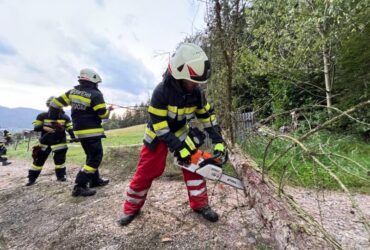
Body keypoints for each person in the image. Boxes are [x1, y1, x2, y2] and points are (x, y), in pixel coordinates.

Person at [119, 43, 226, 226]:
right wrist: (179, 147)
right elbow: (160, 128)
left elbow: (207, 117)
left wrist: (218, 140)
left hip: (180, 131)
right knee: (147, 170)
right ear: (178, 74)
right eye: (192, 80)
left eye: (197, 81)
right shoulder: (161, 92)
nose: (195, 85)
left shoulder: (196, 94)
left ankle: (200, 204)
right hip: (157, 134)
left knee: (195, 165)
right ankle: (131, 209)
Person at [50, 68, 112, 197]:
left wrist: (54, 121)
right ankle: (80, 185)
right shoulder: (95, 94)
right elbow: (103, 115)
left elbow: (54, 104)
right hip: (92, 131)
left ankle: (94, 180)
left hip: (79, 130)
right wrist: (109, 110)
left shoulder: (72, 92)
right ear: (93, 80)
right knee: (95, 158)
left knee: (90, 156)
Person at [26, 97, 76, 186]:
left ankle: (61, 177)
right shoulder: (42, 116)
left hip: (60, 143)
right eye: (52, 106)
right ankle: (31, 179)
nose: (54, 108)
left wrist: (73, 137)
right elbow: (36, 127)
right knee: (38, 162)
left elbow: (70, 128)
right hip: (45, 144)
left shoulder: (65, 117)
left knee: (60, 162)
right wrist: (44, 127)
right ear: (48, 106)